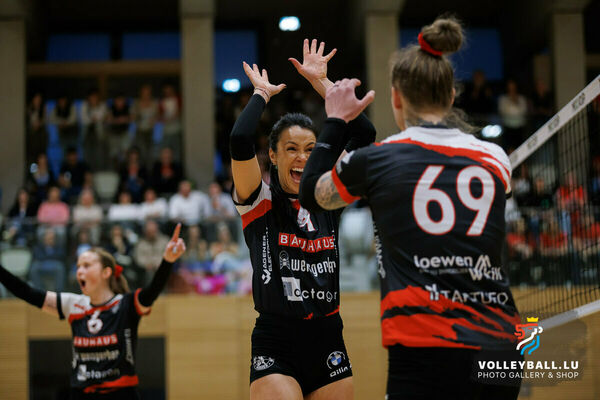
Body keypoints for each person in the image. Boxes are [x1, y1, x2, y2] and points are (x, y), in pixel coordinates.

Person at [298, 18, 522, 399]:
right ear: (451, 96)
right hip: (501, 345)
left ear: (396, 98)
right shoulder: (496, 159)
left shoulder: (378, 161)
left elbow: (311, 193)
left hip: (423, 344)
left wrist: (334, 121)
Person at [230, 39, 376, 400]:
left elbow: (365, 135)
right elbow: (240, 139)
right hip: (276, 339)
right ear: (273, 156)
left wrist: (322, 83)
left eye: (310, 149)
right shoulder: (259, 200)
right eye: (291, 149)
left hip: (328, 335)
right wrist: (262, 94)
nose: (302, 158)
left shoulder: (327, 194)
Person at [0, 224, 184, 399]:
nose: (79, 271)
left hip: (120, 394)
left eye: (87, 265)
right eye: (78, 266)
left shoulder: (125, 304)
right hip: (81, 393)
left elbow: (152, 291)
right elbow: (27, 292)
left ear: (106, 273)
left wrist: (167, 261)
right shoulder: (73, 304)